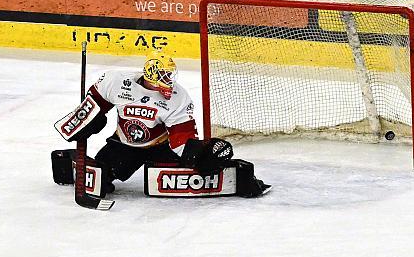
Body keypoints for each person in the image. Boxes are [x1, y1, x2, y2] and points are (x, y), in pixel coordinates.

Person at [54, 53, 270, 198]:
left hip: (161, 147)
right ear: (151, 74)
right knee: (100, 182)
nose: (169, 79)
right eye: (164, 75)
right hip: (123, 145)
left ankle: (238, 177)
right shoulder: (117, 82)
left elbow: (181, 136)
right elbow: (93, 104)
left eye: (170, 74)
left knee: (199, 171)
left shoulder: (177, 97)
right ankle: (68, 162)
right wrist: (84, 120)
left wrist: (199, 153)